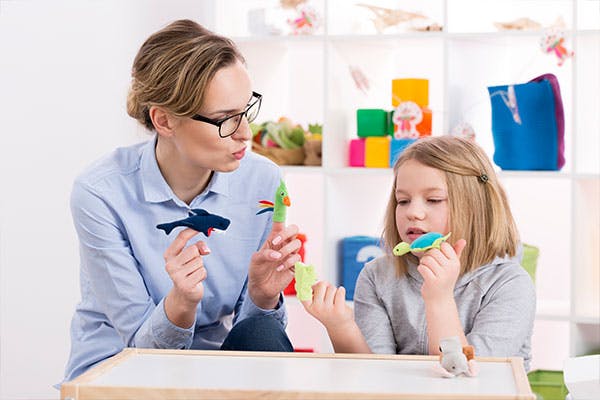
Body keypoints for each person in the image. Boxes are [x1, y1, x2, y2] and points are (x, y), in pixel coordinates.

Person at [62, 19, 301, 383]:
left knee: (263, 334)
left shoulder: (262, 179)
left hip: (212, 370)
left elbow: (257, 341)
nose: (245, 134)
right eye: (224, 119)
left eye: (246, 110)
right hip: (120, 368)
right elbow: (139, 350)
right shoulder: (100, 194)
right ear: (164, 121)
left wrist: (263, 295)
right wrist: (181, 304)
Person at [302, 136, 536, 370]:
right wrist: (342, 327)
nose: (413, 212)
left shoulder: (510, 285)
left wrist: (440, 298)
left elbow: (466, 380)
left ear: (475, 206)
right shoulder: (377, 276)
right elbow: (375, 377)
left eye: (433, 199)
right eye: (402, 200)